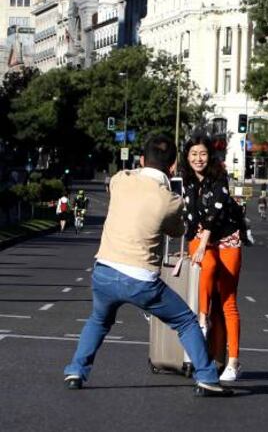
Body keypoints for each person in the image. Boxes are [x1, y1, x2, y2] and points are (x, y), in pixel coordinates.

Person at [64, 133, 230, 397]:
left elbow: (120, 187)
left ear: (141, 159)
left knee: (98, 320)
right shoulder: (170, 201)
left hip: (104, 270)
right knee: (186, 321)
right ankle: (207, 377)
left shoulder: (120, 180)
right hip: (141, 278)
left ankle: (76, 371)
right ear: (173, 166)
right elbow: (176, 232)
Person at [182, 132, 244, 382]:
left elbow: (215, 212)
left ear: (211, 156)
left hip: (226, 237)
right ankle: (203, 318)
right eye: (193, 154)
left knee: (229, 301)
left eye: (203, 154)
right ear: (187, 157)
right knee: (206, 264)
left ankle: (233, 361)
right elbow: (189, 219)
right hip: (201, 238)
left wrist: (202, 243)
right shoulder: (187, 182)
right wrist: (188, 248)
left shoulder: (220, 179)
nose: (198, 159)